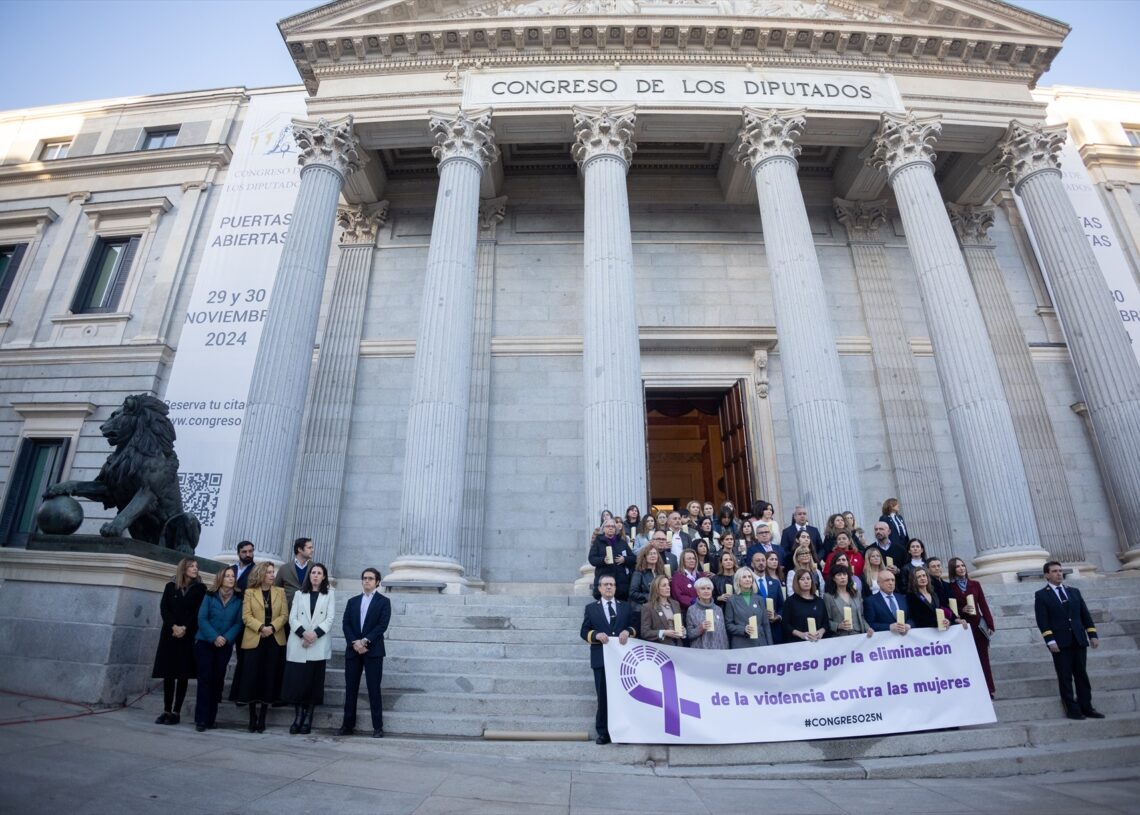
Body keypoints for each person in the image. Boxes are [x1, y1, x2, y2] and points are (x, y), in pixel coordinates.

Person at [1035, 561, 1103, 720]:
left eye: (1060, 571)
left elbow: (1085, 614)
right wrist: (1050, 640)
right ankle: (1073, 710)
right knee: (1065, 676)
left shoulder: (1074, 592)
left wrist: (1092, 634)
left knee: (1081, 675)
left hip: (1078, 639)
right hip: (1060, 642)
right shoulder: (1042, 595)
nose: (1059, 574)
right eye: (1054, 571)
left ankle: (1087, 707)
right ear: (1046, 575)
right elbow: (1042, 620)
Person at [281, 562, 336, 735]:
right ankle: (298, 716)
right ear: (309, 575)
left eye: (319, 573)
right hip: (299, 642)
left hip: (317, 644)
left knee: (313, 683)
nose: (316, 575)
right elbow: (293, 617)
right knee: (297, 682)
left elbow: (329, 618)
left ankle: (308, 717)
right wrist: (304, 634)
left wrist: (314, 635)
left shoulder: (329, 594)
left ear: (324, 577)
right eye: (313, 572)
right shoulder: (299, 594)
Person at [581, 574, 636, 744]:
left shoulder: (625, 607)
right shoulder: (591, 608)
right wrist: (596, 634)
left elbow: (635, 628)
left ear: (615, 588)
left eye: (611, 584)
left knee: (622, 697)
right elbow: (584, 632)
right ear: (599, 588)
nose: (609, 587)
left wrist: (629, 631)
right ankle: (603, 732)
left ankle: (624, 731)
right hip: (601, 660)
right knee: (603, 697)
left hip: (623, 661)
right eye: (605, 584)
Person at [152, 558, 206, 726]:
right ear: (183, 568)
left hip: (187, 635)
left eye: (196, 567)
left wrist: (184, 628)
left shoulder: (200, 589)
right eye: (191, 566)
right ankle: (166, 710)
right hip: (170, 634)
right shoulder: (170, 587)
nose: (195, 569)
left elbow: (198, 612)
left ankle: (176, 711)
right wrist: (173, 626)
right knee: (169, 674)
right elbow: (164, 609)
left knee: (182, 674)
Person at [338, 568, 391, 738]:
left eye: (370, 578)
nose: (367, 581)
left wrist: (365, 641)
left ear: (377, 582)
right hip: (353, 650)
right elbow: (346, 624)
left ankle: (378, 727)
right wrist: (355, 642)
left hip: (373, 650)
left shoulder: (384, 602)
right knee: (351, 688)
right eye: (364, 578)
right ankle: (347, 725)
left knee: (373, 689)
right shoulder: (352, 601)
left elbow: (382, 626)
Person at [237, 561, 287, 732]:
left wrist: (272, 628)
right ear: (261, 574)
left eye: (273, 572)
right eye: (269, 572)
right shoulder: (250, 592)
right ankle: (252, 716)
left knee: (269, 676)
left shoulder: (280, 592)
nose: (273, 575)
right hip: (255, 638)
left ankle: (263, 717)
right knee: (252, 676)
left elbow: (284, 615)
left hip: (274, 639)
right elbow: (246, 616)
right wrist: (261, 627)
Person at [193, 566, 241, 732]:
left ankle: (211, 718)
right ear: (220, 578)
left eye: (232, 576)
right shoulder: (209, 596)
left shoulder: (238, 599)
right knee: (205, 679)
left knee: (217, 681)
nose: (230, 578)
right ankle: (201, 719)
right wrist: (214, 637)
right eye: (227, 576)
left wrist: (226, 638)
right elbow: (202, 618)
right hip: (205, 643)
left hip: (224, 645)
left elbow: (238, 623)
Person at [948, 557, 996, 698]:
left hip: (977, 625)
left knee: (983, 659)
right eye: (957, 567)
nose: (961, 568)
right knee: (967, 660)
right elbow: (951, 608)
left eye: (963, 565)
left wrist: (990, 623)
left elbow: (983, 605)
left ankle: (988, 689)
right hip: (962, 627)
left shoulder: (975, 584)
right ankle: (973, 689)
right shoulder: (950, 587)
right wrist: (962, 610)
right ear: (953, 570)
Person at [724, 567, 771, 649]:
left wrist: (770, 645)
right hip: (741, 644)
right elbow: (728, 625)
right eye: (744, 577)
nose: (747, 579)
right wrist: (743, 629)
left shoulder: (759, 599)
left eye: (749, 577)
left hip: (760, 643)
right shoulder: (731, 600)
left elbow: (766, 625)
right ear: (738, 581)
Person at [588, 518, 634, 600]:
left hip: (621, 584)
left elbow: (633, 558)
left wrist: (624, 559)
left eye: (613, 526)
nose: (610, 528)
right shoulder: (598, 542)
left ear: (616, 529)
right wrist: (603, 560)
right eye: (608, 526)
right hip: (604, 581)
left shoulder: (622, 542)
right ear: (604, 528)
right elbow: (592, 559)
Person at [906, 566, 961, 631]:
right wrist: (938, 622)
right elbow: (918, 617)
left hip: (941, 629)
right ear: (914, 580)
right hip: (926, 631)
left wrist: (950, 620)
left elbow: (945, 608)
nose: (922, 578)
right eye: (919, 577)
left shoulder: (934, 594)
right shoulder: (911, 596)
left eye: (924, 576)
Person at [823, 565, 871, 637]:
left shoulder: (856, 594)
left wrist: (868, 628)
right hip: (840, 637)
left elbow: (861, 615)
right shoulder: (828, 597)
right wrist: (838, 626)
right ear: (833, 578)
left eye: (845, 574)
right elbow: (826, 621)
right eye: (839, 575)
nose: (843, 577)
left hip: (859, 635)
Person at [782, 569, 828, 642]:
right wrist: (801, 634)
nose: (806, 581)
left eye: (808, 579)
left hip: (818, 643)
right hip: (798, 643)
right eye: (802, 579)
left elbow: (826, 623)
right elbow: (785, 625)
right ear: (797, 582)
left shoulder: (820, 601)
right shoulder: (790, 601)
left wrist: (821, 632)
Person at [640, 574, 685, 645]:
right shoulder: (648, 607)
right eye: (664, 585)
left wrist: (683, 631)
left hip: (678, 646)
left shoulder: (675, 604)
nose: (668, 587)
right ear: (656, 589)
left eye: (668, 585)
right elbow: (645, 632)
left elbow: (680, 626)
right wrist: (664, 633)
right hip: (661, 649)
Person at [864, 569, 912, 635]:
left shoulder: (902, 598)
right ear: (878, 583)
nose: (891, 583)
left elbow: (911, 618)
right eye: (887, 580)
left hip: (905, 640)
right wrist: (889, 627)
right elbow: (870, 624)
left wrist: (908, 625)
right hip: (884, 642)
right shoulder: (870, 601)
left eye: (893, 580)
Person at [685, 577, 728, 649]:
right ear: (698, 592)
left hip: (718, 652)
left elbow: (723, 634)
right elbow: (689, 634)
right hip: (700, 652)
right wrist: (700, 628)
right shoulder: (691, 610)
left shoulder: (718, 609)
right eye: (703, 588)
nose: (706, 591)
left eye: (708, 588)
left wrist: (725, 650)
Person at [275, 537, 314, 608]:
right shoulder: (284, 568)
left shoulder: (316, 568)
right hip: (288, 610)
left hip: (309, 611)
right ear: (299, 549)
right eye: (309, 548)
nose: (312, 550)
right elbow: (275, 589)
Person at [628, 544, 665, 613]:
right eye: (650, 554)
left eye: (654, 553)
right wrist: (650, 597)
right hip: (642, 610)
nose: (653, 556)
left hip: (658, 609)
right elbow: (632, 593)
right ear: (644, 557)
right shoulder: (638, 573)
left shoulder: (660, 573)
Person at [758, 550, 785, 644]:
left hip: (774, 626)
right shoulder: (752, 581)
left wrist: (778, 616)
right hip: (759, 627)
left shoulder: (775, 582)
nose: (774, 561)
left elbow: (782, 605)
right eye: (771, 559)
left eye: (776, 559)